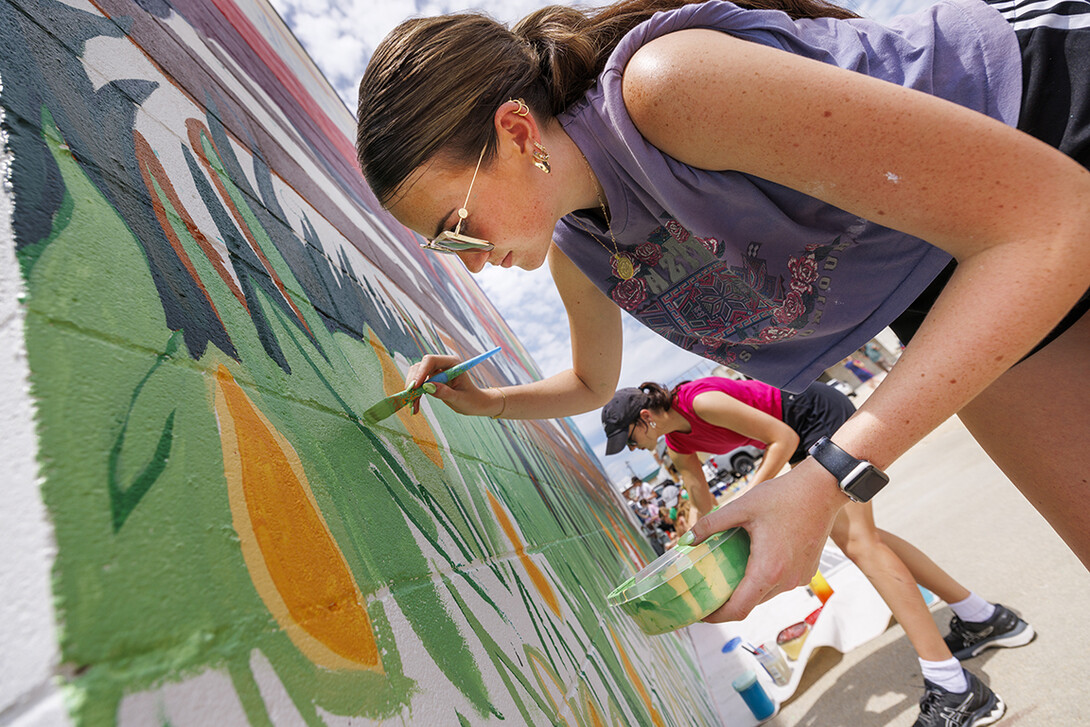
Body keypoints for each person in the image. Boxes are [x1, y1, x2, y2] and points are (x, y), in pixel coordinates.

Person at [358, 1, 1090, 723]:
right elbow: (591, 382)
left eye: (457, 228)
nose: (475, 264)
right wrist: (489, 402)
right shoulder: (578, 249)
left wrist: (823, 478)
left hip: (1043, 118)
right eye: (447, 248)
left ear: (516, 131)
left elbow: (1054, 217)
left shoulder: (664, 88)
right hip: (947, 267)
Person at [602, 377, 1034, 716]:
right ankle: (983, 617)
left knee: (862, 545)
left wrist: (755, 497)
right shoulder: (677, 444)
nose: (635, 449)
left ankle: (954, 687)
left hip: (819, 418)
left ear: (646, 417)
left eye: (630, 439)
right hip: (803, 440)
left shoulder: (699, 401)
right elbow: (700, 500)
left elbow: (781, 439)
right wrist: (685, 552)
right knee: (866, 541)